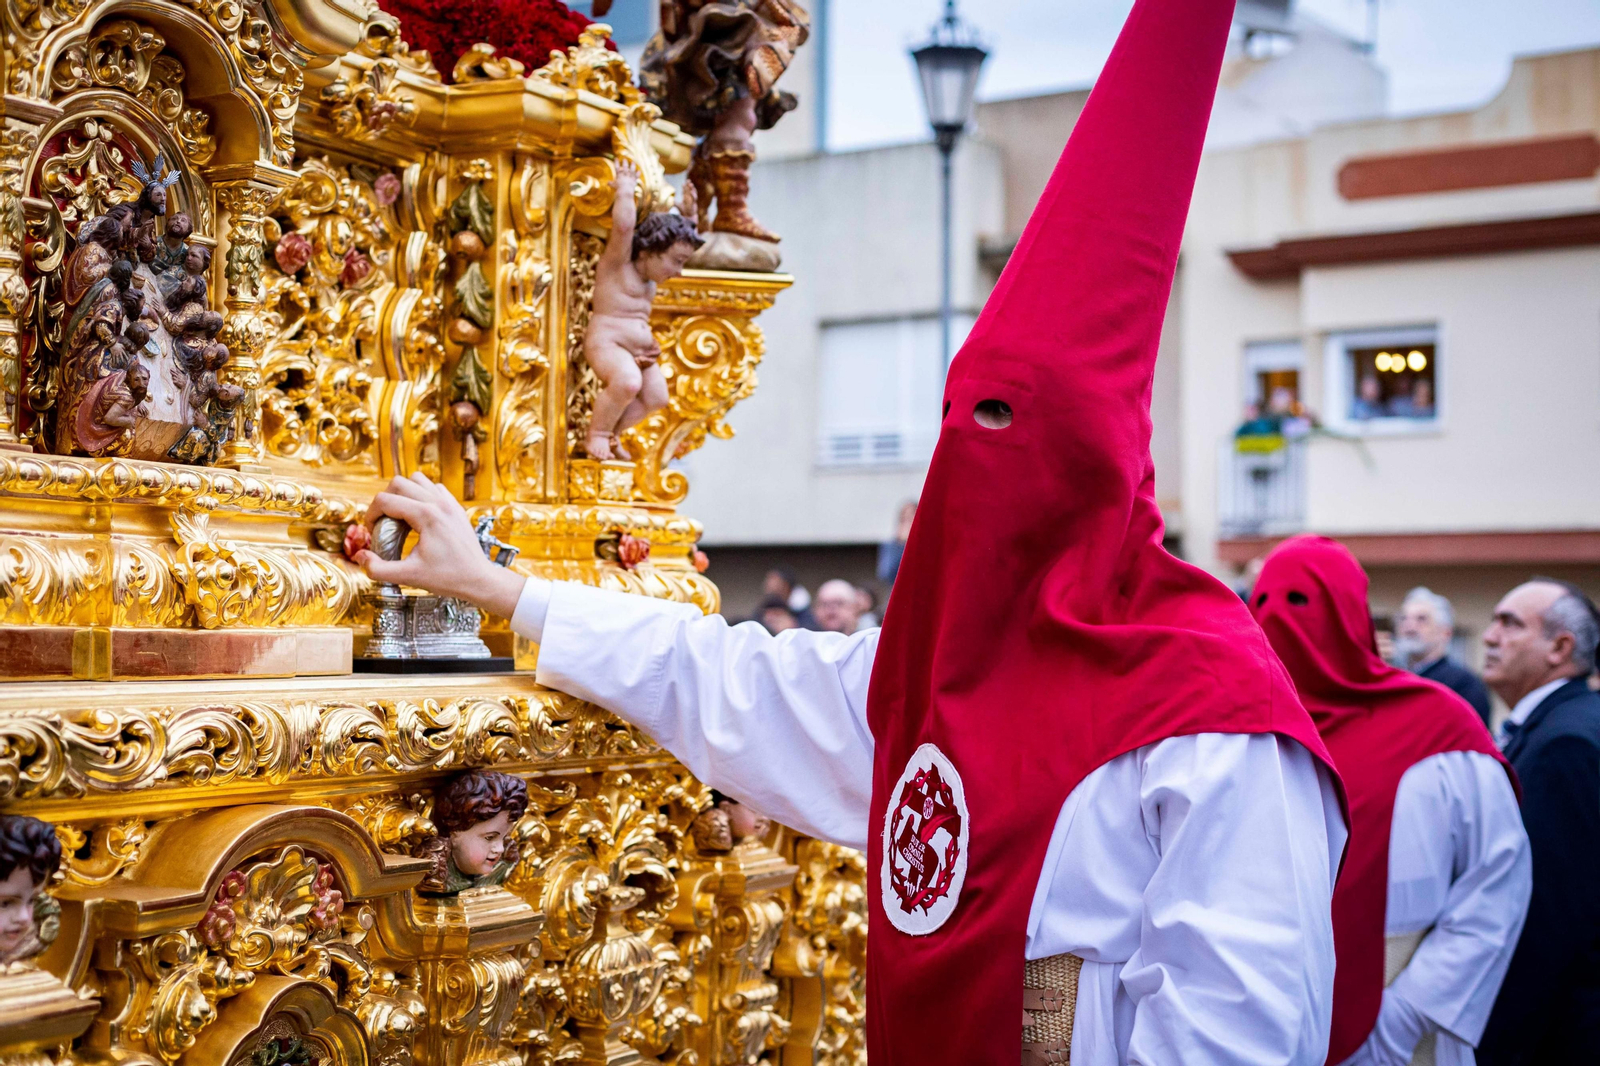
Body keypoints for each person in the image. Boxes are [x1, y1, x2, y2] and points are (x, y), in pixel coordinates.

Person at [358, 0, 1347, 1061]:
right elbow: (719, 678)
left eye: (1010, 429)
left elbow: (1242, 1029)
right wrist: (503, 588)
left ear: (1098, 474)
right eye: (964, 425)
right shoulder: (936, 669)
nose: (976, 462)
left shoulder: (1211, 717)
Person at [1251, 537, 1528, 1066]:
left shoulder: (1438, 727)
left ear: (1349, 614)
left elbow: (1496, 882)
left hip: (1399, 1022)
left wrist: (1405, 1014)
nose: (1277, 620)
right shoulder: (1246, 734)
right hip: (1262, 1022)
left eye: (1301, 602)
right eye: (1262, 602)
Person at [1476, 579, 1600, 1065]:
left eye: (1510, 624)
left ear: (1560, 647)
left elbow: (1546, 922)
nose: (1489, 636)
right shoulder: (1557, 726)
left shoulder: (1564, 744)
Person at [583, 160, 704, 460]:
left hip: (641, 352)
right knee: (627, 382)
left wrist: (690, 217)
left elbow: (680, 241)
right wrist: (624, 189)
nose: (679, 271)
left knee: (657, 398)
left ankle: (612, 433)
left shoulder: (651, 277)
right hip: (608, 343)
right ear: (650, 250)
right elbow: (623, 228)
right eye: (675, 261)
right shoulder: (618, 265)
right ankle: (596, 433)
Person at [1395, 586, 1492, 726]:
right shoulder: (1397, 677)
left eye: (1421, 619)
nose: (1409, 626)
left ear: (1445, 632)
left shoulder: (1465, 684)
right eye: (1403, 618)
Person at [876, 499, 917, 586]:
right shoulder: (890, 545)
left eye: (910, 519)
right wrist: (902, 545)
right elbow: (887, 574)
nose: (907, 525)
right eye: (904, 520)